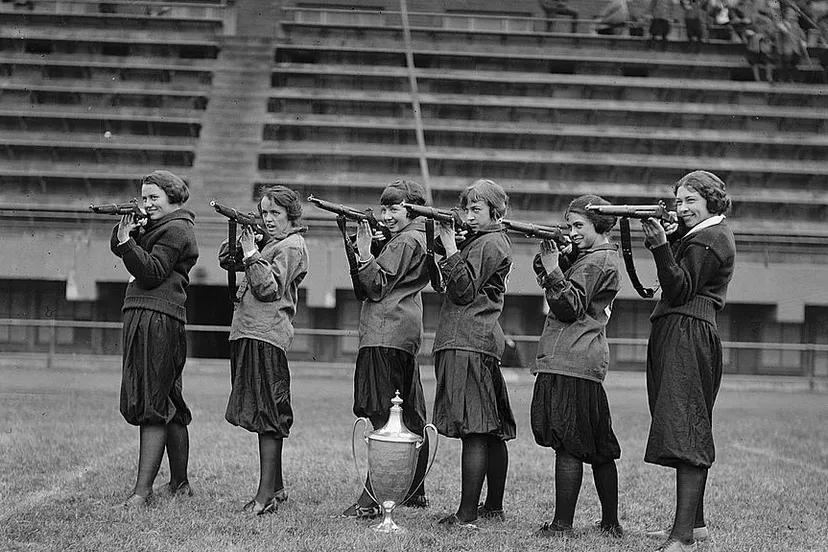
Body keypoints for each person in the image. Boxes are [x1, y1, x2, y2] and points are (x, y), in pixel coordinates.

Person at [641, 171, 736, 552]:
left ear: (712, 201)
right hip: (682, 331)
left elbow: (679, 288)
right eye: (679, 201)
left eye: (690, 201)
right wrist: (672, 238)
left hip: (688, 332)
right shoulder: (705, 234)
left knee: (687, 431)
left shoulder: (711, 238)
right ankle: (694, 528)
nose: (681, 208)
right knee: (685, 425)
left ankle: (682, 537)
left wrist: (661, 247)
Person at [530, 195, 624, 538]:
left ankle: (562, 525)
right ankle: (611, 523)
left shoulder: (595, 262)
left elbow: (568, 306)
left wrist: (554, 267)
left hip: (571, 358)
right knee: (598, 446)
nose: (572, 231)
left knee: (567, 444)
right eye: (570, 225)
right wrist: (558, 259)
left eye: (579, 225)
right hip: (584, 359)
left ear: (599, 225)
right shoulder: (598, 257)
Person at [339, 180, 432, 519]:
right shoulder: (417, 236)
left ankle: (373, 498)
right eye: (384, 208)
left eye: (394, 208)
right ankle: (413, 489)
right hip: (401, 332)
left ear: (414, 210)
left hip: (385, 332)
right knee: (407, 415)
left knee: (384, 418)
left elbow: (376, 286)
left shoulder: (406, 240)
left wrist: (365, 253)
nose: (386, 215)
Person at [110, 170, 199, 508]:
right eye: (144, 197)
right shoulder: (159, 225)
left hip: (157, 318)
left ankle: (141, 493)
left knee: (153, 403)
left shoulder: (176, 229)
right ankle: (179, 484)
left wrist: (128, 241)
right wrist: (127, 232)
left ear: (173, 199)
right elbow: (120, 247)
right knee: (168, 401)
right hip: (149, 314)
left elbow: (151, 272)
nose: (147, 203)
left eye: (154, 198)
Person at [218, 185, 309, 515]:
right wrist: (245, 242)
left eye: (275, 213)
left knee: (268, 416)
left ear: (290, 215)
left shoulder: (292, 246)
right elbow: (226, 261)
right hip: (250, 332)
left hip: (267, 336)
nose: (268, 219)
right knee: (261, 412)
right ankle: (277, 489)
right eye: (264, 212)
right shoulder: (270, 243)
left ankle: (264, 498)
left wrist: (251, 254)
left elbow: (269, 288)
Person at [432, 179, 517, 529]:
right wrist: (445, 243)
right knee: (489, 428)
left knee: (475, 430)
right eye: (467, 208)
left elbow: (464, 291)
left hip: (468, 340)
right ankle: (492, 506)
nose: (468, 215)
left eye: (476, 209)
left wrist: (452, 247)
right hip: (477, 339)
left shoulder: (491, 242)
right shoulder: (485, 240)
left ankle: (467, 513)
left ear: (496, 212)